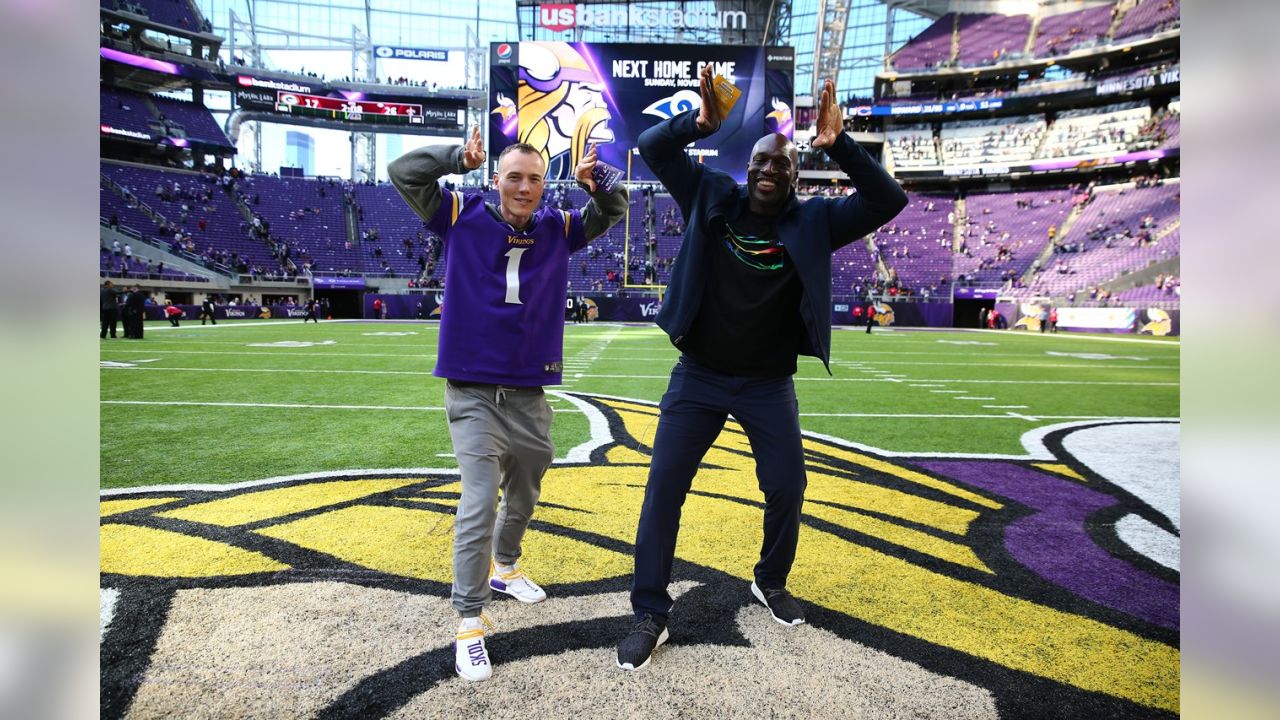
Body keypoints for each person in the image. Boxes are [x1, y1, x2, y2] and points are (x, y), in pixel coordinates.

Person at [616, 71, 906, 671]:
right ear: (748, 167)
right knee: (664, 487)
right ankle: (650, 610)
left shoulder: (815, 221)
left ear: (796, 178)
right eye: (762, 163)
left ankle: (769, 580)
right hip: (699, 375)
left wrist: (839, 144)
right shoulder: (709, 194)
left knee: (787, 486)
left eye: (784, 167)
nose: (771, 173)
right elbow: (651, 147)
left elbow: (887, 200)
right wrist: (697, 125)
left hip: (768, 383)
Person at [388, 124, 627, 682]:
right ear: (496, 180)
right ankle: (469, 623)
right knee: (479, 500)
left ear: (547, 184)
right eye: (514, 177)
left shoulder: (559, 226)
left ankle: (506, 567)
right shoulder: (457, 213)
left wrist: (601, 179)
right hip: (472, 390)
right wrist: (456, 157)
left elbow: (612, 208)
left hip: (529, 392)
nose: (524, 188)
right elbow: (402, 173)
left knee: (525, 490)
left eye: (534, 179)